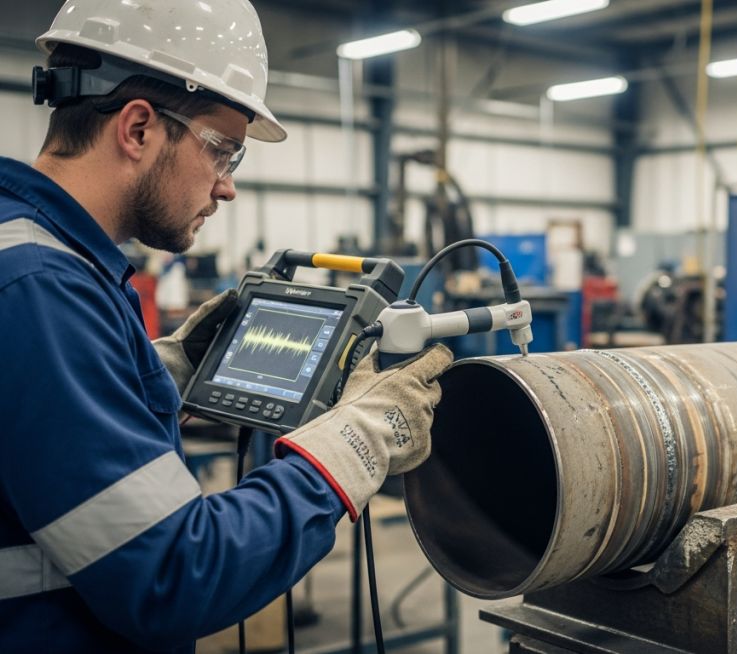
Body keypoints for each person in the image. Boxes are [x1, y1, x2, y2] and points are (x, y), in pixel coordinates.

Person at [0, 1, 452, 651]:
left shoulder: (35, 254)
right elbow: (174, 575)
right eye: (222, 152)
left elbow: (39, 429)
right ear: (137, 129)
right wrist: (357, 442)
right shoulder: (42, 288)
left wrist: (162, 372)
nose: (226, 187)